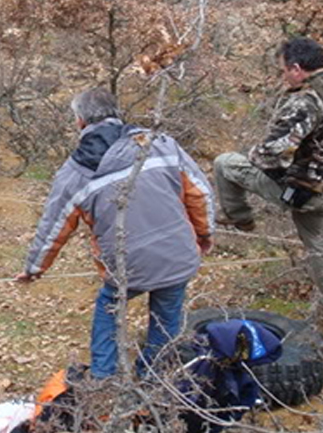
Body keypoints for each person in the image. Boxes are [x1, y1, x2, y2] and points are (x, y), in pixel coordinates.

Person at [16, 87, 215, 379]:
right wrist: (205, 234)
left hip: (126, 268)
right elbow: (201, 193)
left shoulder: (75, 171)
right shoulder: (159, 143)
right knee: (167, 317)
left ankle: (102, 379)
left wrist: (34, 269)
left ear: (80, 122)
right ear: (117, 114)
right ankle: (153, 376)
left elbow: (54, 225)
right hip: (177, 255)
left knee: (108, 312)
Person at [214, 37, 323, 343]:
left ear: (296, 69)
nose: (282, 76)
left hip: (308, 195)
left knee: (226, 162)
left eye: (283, 70)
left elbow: (271, 155)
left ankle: (239, 217)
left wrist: (273, 169)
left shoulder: (305, 102)